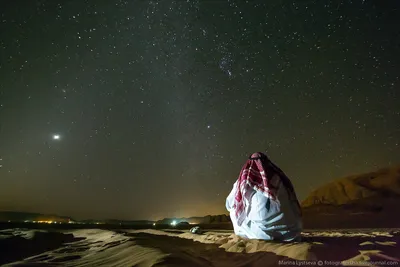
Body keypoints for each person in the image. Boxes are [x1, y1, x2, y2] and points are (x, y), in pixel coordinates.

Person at [226, 152, 302, 242]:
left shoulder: (242, 182)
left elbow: (229, 204)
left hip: (262, 234)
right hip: (290, 233)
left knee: (234, 210)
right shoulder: (281, 179)